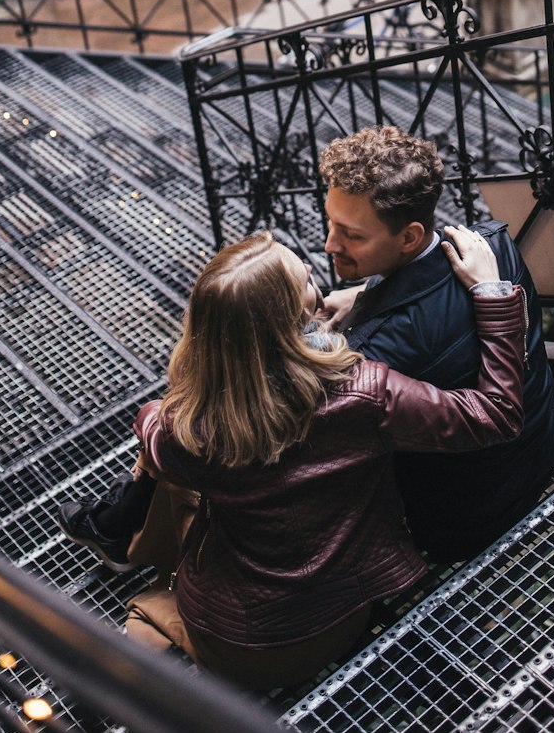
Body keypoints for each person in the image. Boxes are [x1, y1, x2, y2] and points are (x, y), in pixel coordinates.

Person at [59, 225, 526, 690]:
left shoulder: (187, 430)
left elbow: (152, 425)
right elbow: (497, 416)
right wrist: (493, 294)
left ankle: (116, 533)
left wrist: (165, 414)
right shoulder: (366, 394)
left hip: (234, 640)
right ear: (291, 319)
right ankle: (118, 534)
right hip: (341, 619)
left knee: (164, 484)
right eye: (303, 280)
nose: (311, 266)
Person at [320, 125, 554, 562]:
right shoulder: (494, 247)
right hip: (542, 450)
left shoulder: (369, 356)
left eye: (352, 235)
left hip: (460, 522)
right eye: (331, 222)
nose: (329, 243)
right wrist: (367, 293)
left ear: (409, 237)